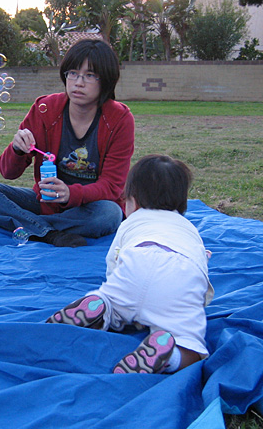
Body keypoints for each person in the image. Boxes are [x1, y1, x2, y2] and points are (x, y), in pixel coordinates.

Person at [46, 154, 214, 374]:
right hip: (182, 272)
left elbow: (114, 263)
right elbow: (200, 268)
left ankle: (101, 306)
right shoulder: (189, 229)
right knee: (189, 345)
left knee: (116, 301)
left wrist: (114, 291)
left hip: (135, 262)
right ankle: (169, 354)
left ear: (132, 201)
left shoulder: (131, 223)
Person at [0, 39, 135, 247]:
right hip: (45, 203)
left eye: (89, 75)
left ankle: (23, 224)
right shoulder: (45, 109)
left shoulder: (119, 119)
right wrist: (16, 149)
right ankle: (49, 233)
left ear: (106, 80)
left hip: (89, 206)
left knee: (109, 215)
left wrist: (70, 194)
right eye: (72, 73)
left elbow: (112, 186)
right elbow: (8, 173)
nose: (78, 82)